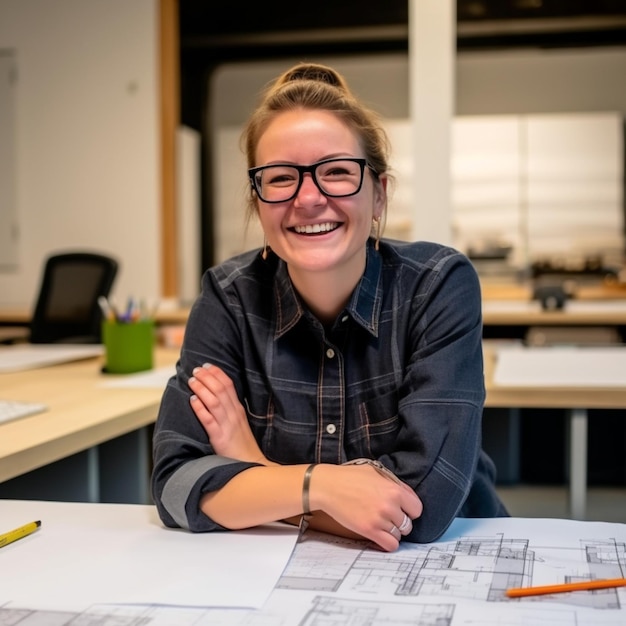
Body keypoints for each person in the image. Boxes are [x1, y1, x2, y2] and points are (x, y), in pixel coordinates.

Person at [151, 62, 508, 552]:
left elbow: (424, 506)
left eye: (337, 172)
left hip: (451, 563)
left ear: (379, 195)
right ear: (258, 204)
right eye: (280, 178)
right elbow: (175, 484)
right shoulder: (228, 297)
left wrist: (257, 472)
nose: (308, 198)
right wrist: (325, 489)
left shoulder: (437, 285)